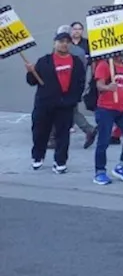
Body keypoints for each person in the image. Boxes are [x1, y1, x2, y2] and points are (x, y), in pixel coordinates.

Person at [25, 29, 86, 174]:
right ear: (55, 43)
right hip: (44, 104)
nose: (64, 44)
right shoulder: (44, 61)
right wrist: (30, 71)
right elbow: (32, 82)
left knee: (63, 134)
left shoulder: (76, 62)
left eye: (67, 42)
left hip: (65, 105)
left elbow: (80, 82)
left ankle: (60, 162)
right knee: (40, 132)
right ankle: (37, 157)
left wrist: (73, 99)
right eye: (61, 42)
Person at [92, 53, 123, 186]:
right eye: (120, 53)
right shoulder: (104, 65)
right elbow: (99, 85)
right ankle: (100, 172)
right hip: (106, 108)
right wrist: (108, 88)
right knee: (104, 141)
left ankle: (122, 166)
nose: (122, 56)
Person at [64, 22, 97, 148]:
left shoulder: (84, 46)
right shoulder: (68, 45)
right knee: (70, 108)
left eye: (79, 29)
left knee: (68, 108)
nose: (77, 31)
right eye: (74, 29)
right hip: (69, 81)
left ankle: (88, 129)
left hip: (73, 82)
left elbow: (92, 63)